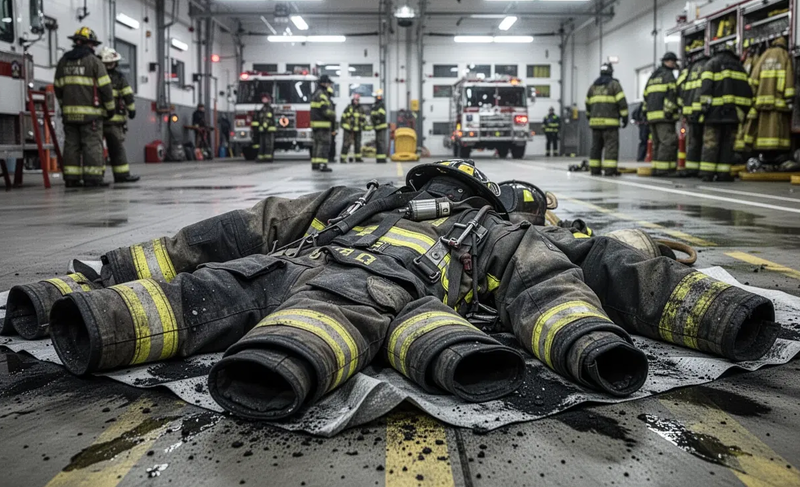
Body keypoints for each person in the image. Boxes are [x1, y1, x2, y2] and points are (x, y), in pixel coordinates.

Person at [4, 160, 779, 424]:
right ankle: (86, 306)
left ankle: (72, 311)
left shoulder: (356, 202)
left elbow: (222, 237)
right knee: (296, 319)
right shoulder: (502, 233)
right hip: (372, 294)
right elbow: (557, 292)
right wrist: (592, 345)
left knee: (199, 295)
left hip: (300, 275)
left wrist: (103, 273)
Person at [54, 27, 114, 188]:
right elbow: (106, 88)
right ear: (89, 44)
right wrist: (110, 108)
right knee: (92, 144)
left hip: (69, 115)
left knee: (71, 145)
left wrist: (64, 106)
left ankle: (71, 178)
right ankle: (93, 178)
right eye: (93, 44)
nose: (94, 48)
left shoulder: (63, 62)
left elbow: (58, 87)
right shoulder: (94, 62)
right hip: (91, 116)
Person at [698, 46, 752, 182]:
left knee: (711, 143)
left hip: (713, 114)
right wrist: (743, 111)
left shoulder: (711, 64)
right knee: (727, 144)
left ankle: (707, 173)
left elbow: (706, 88)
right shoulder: (739, 67)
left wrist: (704, 108)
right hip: (733, 115)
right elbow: (746, 91)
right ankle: (723, 173)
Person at [98, 47, 139, 183]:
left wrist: (131, 109)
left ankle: (99, 176)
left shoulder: (96, 76)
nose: (110, 65)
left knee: (99, 149)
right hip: (110, 121)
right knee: (114, 148)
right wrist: (131, 109)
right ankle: (120, 175)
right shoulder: (118, 77)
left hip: (100, 120)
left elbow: (127, 94)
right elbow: (128, 95)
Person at [585, 63, 628, 176]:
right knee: (611, 147)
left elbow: (587, 105)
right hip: (610, 124)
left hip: (595, 124)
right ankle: (610, 170)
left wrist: (590, 118)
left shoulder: (592, 87)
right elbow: (622, 103)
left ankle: (595, 170)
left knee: (596, 147)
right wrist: (625, 117)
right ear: (611, 72)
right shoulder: (614, 85)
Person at [643, 52, 680, 177]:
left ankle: (656, 168)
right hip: (664, 117)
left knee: (657, 143)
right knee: (667, 142)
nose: (674, 64)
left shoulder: (653, 76)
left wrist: (646, 112)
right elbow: (672, 95)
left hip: (652, 116)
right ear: (668, 62)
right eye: (673, 62)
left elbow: (645, 96)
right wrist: (669, 111)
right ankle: (664, 170)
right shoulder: (668, 75)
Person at [676, 55, 709, 178]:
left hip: (688, 111)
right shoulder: (708, 67)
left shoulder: (688, 70)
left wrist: (682, 108)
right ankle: (702, 168)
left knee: (693, 140)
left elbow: (679, 88)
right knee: (706, 140)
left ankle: (691, 168)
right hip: (702, 110)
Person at [310, 75, 336, 172]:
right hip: (323, 125)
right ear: (324, 83)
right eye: (329, 84)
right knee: (324, 144)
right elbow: (326, 111)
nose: (330, 86)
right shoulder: (322, 94)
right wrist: (333, 114)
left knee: (317, 145)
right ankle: (322, 165)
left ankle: (316, 164)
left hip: (316, 125)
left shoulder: (316, 93)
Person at [340, 93, 364, 163]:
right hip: (348, 129)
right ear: (352, 100)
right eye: (355, 100)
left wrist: (361, 125)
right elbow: (343, 119)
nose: (356, 101)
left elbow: (363, 119)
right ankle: (343, 158)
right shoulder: (348, 108)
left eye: (357, 100)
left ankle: (358, 158)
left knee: (358, 144)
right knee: (346, 143)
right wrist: (346, 127)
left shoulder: (360, 109)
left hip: (358, 129)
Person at [252, 94, 276, 163]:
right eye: (263, 99)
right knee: (262, 144)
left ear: (268, 100)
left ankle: (268, 157)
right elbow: (260, 119)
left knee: (268, 144)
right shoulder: (262, 109)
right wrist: (259, 127)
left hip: (269, 130)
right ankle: (261, 157)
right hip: (262, 130)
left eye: (265, 99)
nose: (264, 100)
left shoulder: (270, 109)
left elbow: (269, 119)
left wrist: (265, 125)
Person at [371, 89, 388, 164]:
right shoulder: (375, 105)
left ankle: (382, 158)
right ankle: (379, 158)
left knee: (381, 142)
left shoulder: (381, 104)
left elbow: (381, 115)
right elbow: (373, 115)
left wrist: (376, 119)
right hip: (377, 127)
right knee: (378, 142)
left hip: (381, 126)